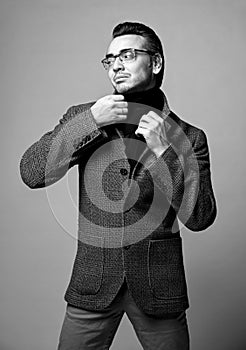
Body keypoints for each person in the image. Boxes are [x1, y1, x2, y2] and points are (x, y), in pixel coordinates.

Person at [20, 22, 217, 350]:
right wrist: (91, 121)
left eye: (127, 55)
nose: (117, 65)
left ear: (155, 63)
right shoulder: (85, 117)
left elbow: (200, 217)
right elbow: (32, 173)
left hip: (159, 289)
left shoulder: (189, 137)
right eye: (110, 59)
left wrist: (165, 154)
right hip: (93, 283)